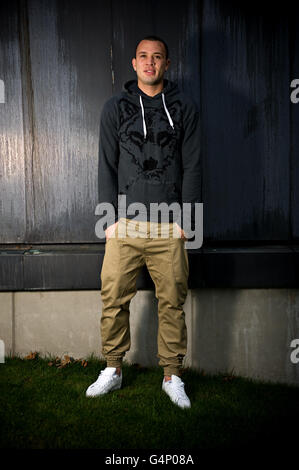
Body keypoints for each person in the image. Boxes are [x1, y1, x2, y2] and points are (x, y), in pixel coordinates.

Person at [86, 35, 201, 408]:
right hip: (125, 225)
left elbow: (194, 165)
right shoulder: (115, 108)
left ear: (167, 64)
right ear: (134, 64)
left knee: (172, 302)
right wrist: (108, 221)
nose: (150, 63)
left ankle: (172, 375)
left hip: (170, 225)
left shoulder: (185, 107)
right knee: (113, 298)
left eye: (157, 57)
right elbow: (106, 164)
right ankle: (113, 369)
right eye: (143, 57)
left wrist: (187, 221)